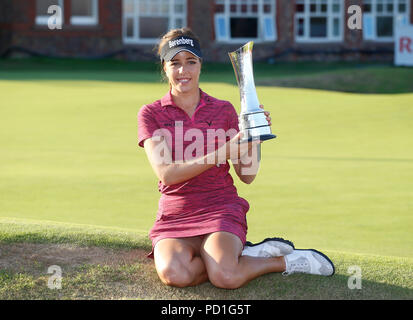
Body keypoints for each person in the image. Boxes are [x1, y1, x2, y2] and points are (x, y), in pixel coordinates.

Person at [137, 28, 334, 289]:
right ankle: (240, 256)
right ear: (165, 67)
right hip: (176, 215)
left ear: (200, 65)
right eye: (175, 63)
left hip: (220, 208)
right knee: (175, 275)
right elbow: (167, 174)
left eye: (191, 62)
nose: (183, 71)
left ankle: (283, 262)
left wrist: (254, 138)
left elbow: (247, 175)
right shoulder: (151, 113)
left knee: (225, 277)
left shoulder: (223, 110)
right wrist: (223, 152)